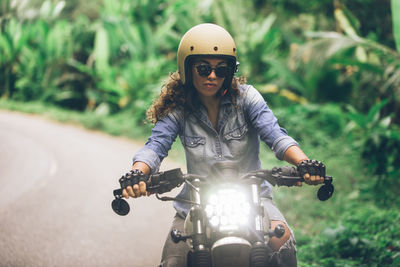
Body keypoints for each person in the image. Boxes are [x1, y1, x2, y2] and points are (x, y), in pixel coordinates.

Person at [121, 23, 326, 267]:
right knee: (173, 262)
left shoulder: (247, 98)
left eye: (221, 69)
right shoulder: (179, 109)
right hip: (195, 204)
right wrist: (138, 173)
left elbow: (276, 135)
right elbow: (156, 146)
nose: (212, 76)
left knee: (283, 242)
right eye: (204, 68)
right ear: (188, 68)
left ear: (230, 72)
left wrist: (304, 163)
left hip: (253, 199)